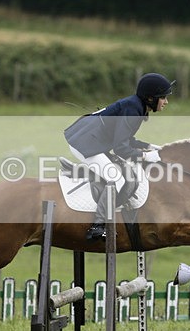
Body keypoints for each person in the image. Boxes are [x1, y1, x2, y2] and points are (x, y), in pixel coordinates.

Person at [64, 72, 175, 240]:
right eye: (163, 97)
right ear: (151, 98)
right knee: (117, 178)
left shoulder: (136, 106)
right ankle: (97, 226)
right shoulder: (133, 109)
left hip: (93, 141)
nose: (166, 102)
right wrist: (146, 157)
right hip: (85, 144)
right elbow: (120, 149)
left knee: (126, 177)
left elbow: (125, 139)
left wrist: (150, 147)